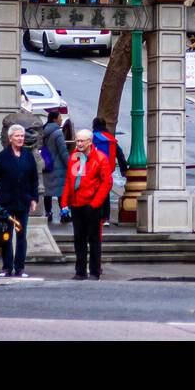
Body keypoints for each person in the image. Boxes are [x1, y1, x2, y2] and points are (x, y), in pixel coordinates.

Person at [0, 123, 40, 278]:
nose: (20, 139)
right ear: (10, 138)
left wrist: (34, 199)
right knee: (6, 236)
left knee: (21, 236)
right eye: (17, 136)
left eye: (22, 136)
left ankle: (20, 268)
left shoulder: (28, 156)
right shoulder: (3, 156)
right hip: (6, 203)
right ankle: (6, 267)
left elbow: (34, 180)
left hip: (23, 202)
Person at [60, 128, 112, 281]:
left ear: (90, 142)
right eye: (77, 140)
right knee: (79, 239)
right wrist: (64, 203)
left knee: (94, 239)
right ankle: (80, 271)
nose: (79, 143)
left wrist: (95, 203)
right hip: (77, 204)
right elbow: (70, 180)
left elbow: (107, 182)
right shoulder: (74, 157)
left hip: (92, 205)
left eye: (82, 141)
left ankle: (95, 271)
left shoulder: (100, 158)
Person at [91, 117, 128, 221]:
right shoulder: (110, 139)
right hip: (107, 170)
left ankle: (96, 216)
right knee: (105, 193)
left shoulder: (92, 137)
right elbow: (120, 154)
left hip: (93, 170)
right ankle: (106, 217)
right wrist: (123, 169)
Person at [41, 110, 70, 223]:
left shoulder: (43, 130)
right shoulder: (58, 133)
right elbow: (63, 151)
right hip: (58, 167)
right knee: (61, 191)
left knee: (47, 192)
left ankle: (48, 213)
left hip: (46, 164)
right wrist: (69, 164)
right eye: (60, 118)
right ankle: (64, 213)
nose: (61, 120)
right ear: (54, 119)